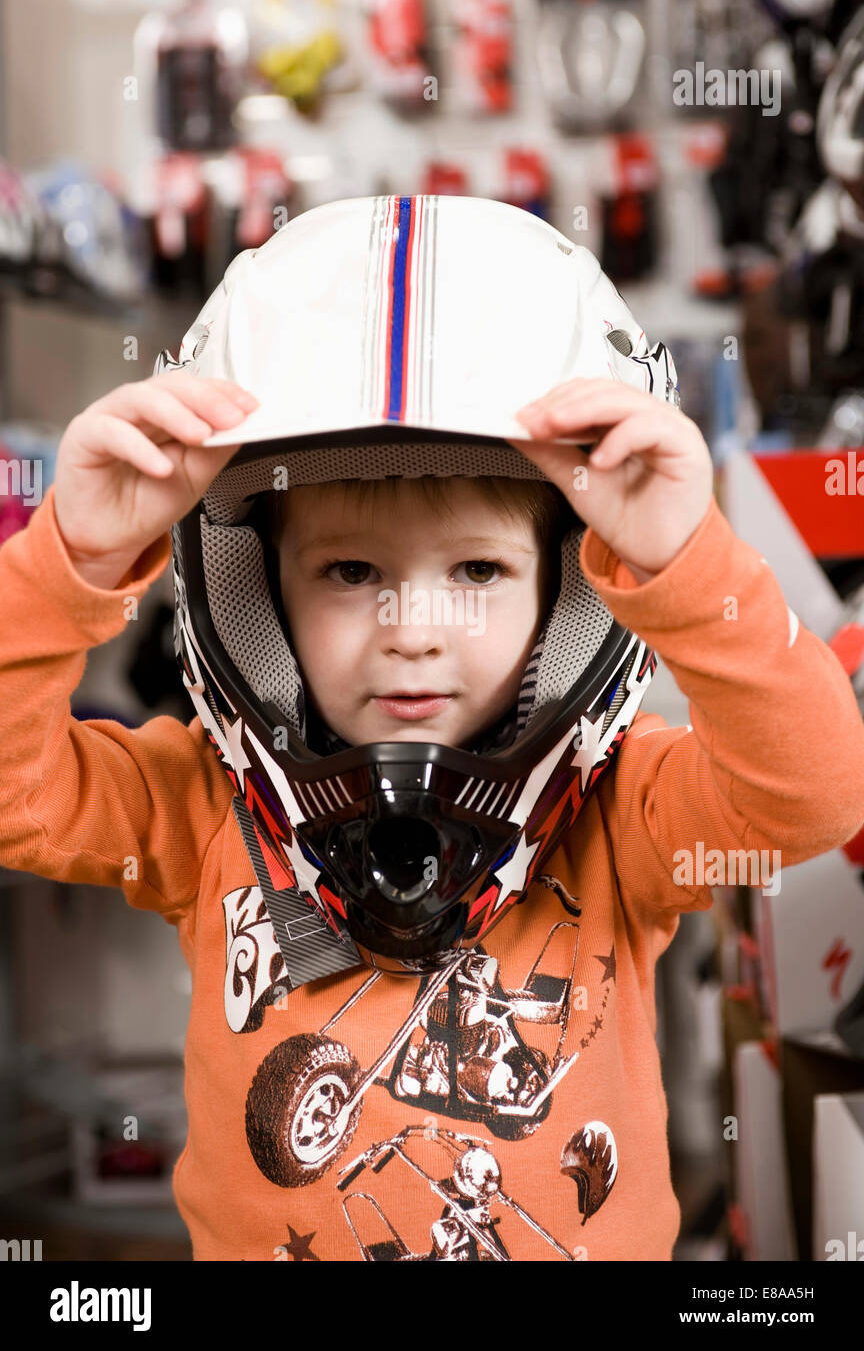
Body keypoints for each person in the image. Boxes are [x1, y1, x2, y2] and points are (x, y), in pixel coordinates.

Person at [1, 194, 863, 1263]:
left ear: (565, 595)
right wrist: (67, 560)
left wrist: (684, 561)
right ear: (252, 591)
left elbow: (816, 789)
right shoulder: (196, 805)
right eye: (352, 571)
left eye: (478, 570)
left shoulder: (621, 812)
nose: (414, 628)